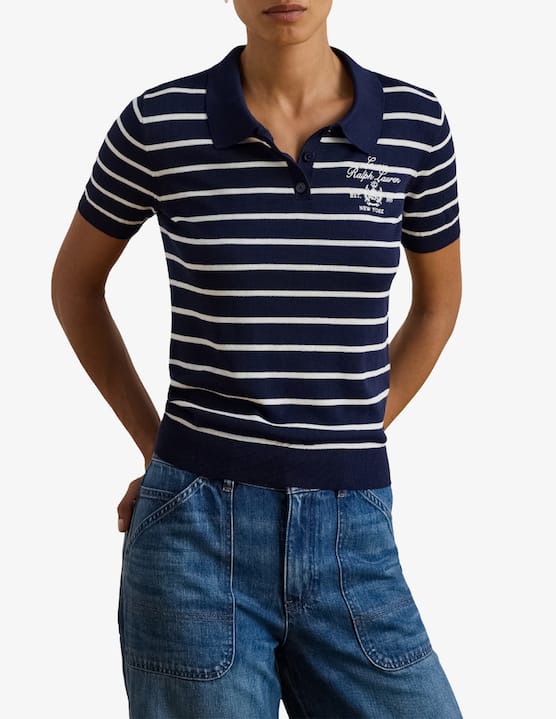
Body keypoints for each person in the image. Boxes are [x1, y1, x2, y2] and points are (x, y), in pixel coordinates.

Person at [51, 1, 464, 716]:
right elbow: (75, 288)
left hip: (356, 531)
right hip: (193, 539)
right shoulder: (158, 123)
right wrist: (160, 453)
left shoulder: (414, 126)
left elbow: (437, 307)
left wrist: (351, 430)